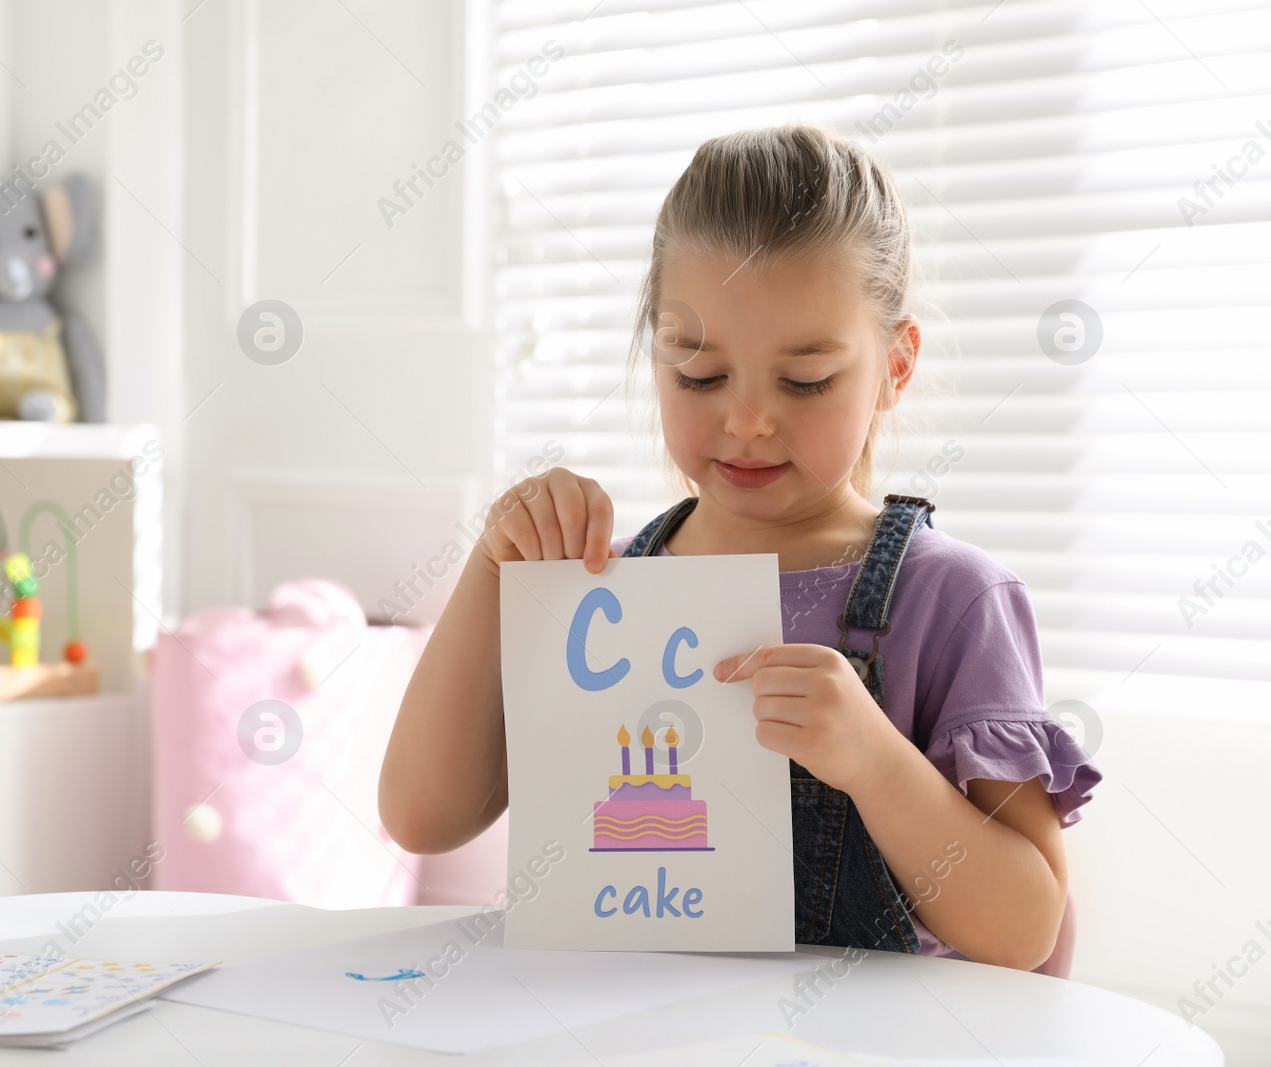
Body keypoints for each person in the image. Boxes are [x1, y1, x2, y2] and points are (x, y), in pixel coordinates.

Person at [378, 125, 1101, 969]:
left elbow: (1025, 932)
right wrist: (495, 565)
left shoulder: (953, 600)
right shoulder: (605, 585)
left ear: (895, 366)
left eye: (805, 381)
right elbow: (421, 817)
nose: (749, 420)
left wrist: (873, 761)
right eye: (699, 373)